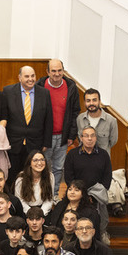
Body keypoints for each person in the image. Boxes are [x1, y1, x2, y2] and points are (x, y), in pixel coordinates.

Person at [3, 66, 52, 184]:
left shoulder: (44, 93)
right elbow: (4, 117)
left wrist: (46, 142)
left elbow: (48, 119)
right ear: (19, 78)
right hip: (13, 143)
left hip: (35, 143)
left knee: (31, 177)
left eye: (33, 76)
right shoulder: (8, 91)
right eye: (27, 76)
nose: (30, 79)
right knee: (13, 177)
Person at [37, 59, 80, 196]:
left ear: (63, 70)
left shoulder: (71, 87)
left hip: (63, 137)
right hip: (45, 137)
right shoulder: (40, 86)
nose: (57, 74)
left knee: (58, 168)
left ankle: (54, 195)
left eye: (59, 70)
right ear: (48, 72)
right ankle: (42, 195)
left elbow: (75, 112)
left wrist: (71, 135)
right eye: (53, 71)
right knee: (41, 167)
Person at [63, 127, 113, 237]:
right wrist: (81, 195)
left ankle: (99, 237)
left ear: (96, 138)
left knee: (98, 220)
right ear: (81, 138)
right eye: (86, 136)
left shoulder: (103, 155)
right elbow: (68, 177)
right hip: (77, 196)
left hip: (97, 196)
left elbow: (107, 176)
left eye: (92, 135)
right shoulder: (72, 154)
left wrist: (95, 196)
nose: (89, 138)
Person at [77, 88, 119, 154]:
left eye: (94, 100)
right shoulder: (79, 119)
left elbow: (113, 141)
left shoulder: (111, 121)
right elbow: (80, 138)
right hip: (83, 158)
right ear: (85, 102)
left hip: (102, 160)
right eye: (88, 101)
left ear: (99, 101)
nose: (91, 103)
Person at [13, 151, 55, 216]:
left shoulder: (50, 176)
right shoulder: (21, 178)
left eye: (42, 160)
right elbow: (20, 200)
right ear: (30, 163)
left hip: (43, 210)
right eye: (35, 160)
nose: (39, 163)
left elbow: (49, 198)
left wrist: (41, 213)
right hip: (26, 210)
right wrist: (31, 214)